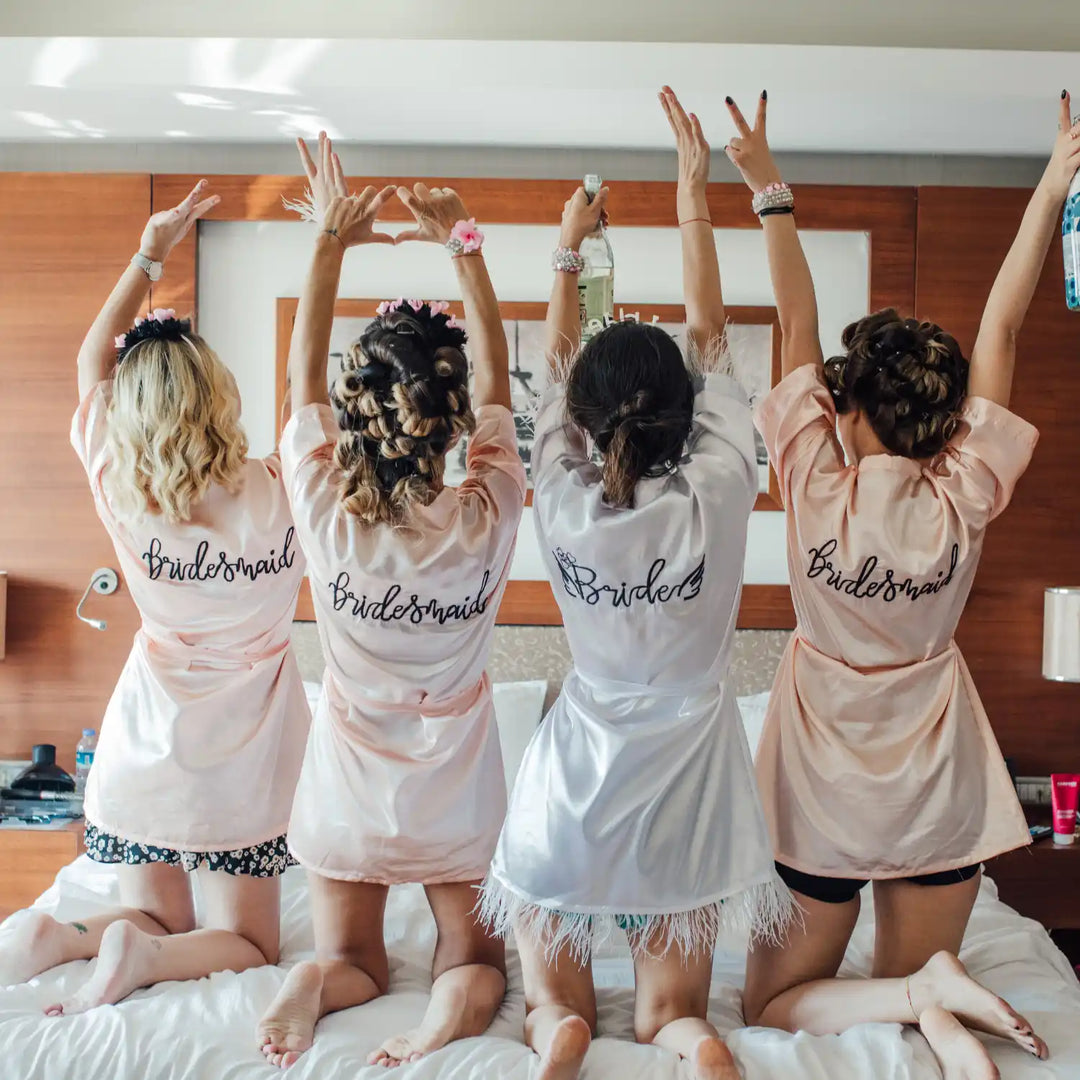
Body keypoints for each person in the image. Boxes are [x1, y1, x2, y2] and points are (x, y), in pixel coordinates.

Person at [728, 89, 1079, 1076]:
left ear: (849, 410)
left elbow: (790, 310)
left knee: (772, 1003)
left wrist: (770, 189)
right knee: (903, 969)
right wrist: (1052, 183)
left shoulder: (811, 481)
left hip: (819, 791)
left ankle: (916, 1001)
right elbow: (1004, 324)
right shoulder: (964, 490)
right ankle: (931, 997)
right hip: (937, 789)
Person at [478, 88, 792, 1080]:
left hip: (572, 788)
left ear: (585, 419)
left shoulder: (564, 499)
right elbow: (710, 331)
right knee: (675, 1010)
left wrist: (569, 248)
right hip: (688, 787)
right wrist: (695, 197)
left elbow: (562, 363)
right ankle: (692, 1043)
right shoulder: (721, 489)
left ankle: (559, 1030)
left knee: (550, 993)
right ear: (687, 414)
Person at [0, 181, 311, 1012]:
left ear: (133, 412)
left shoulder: (120, 482)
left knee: (148, 911)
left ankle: (64, 937)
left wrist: (150, 252)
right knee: (248, 943)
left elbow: (88, 360)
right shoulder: (283, 489)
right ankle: (139, 959)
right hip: (239, 765)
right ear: (220, 395)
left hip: (146, 748)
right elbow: (306, 389)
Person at [256, 134, 526, 1069]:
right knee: (479, 960)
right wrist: (467, 245)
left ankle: (310, 986)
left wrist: (329, 241)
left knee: (351, 961)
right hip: (457, 795)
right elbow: (498, 380)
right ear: (449, 421)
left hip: (348, 786)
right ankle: (444, 1023)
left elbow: (297, 386)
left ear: (358, 409)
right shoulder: (488, 512)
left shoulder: (327, 513)